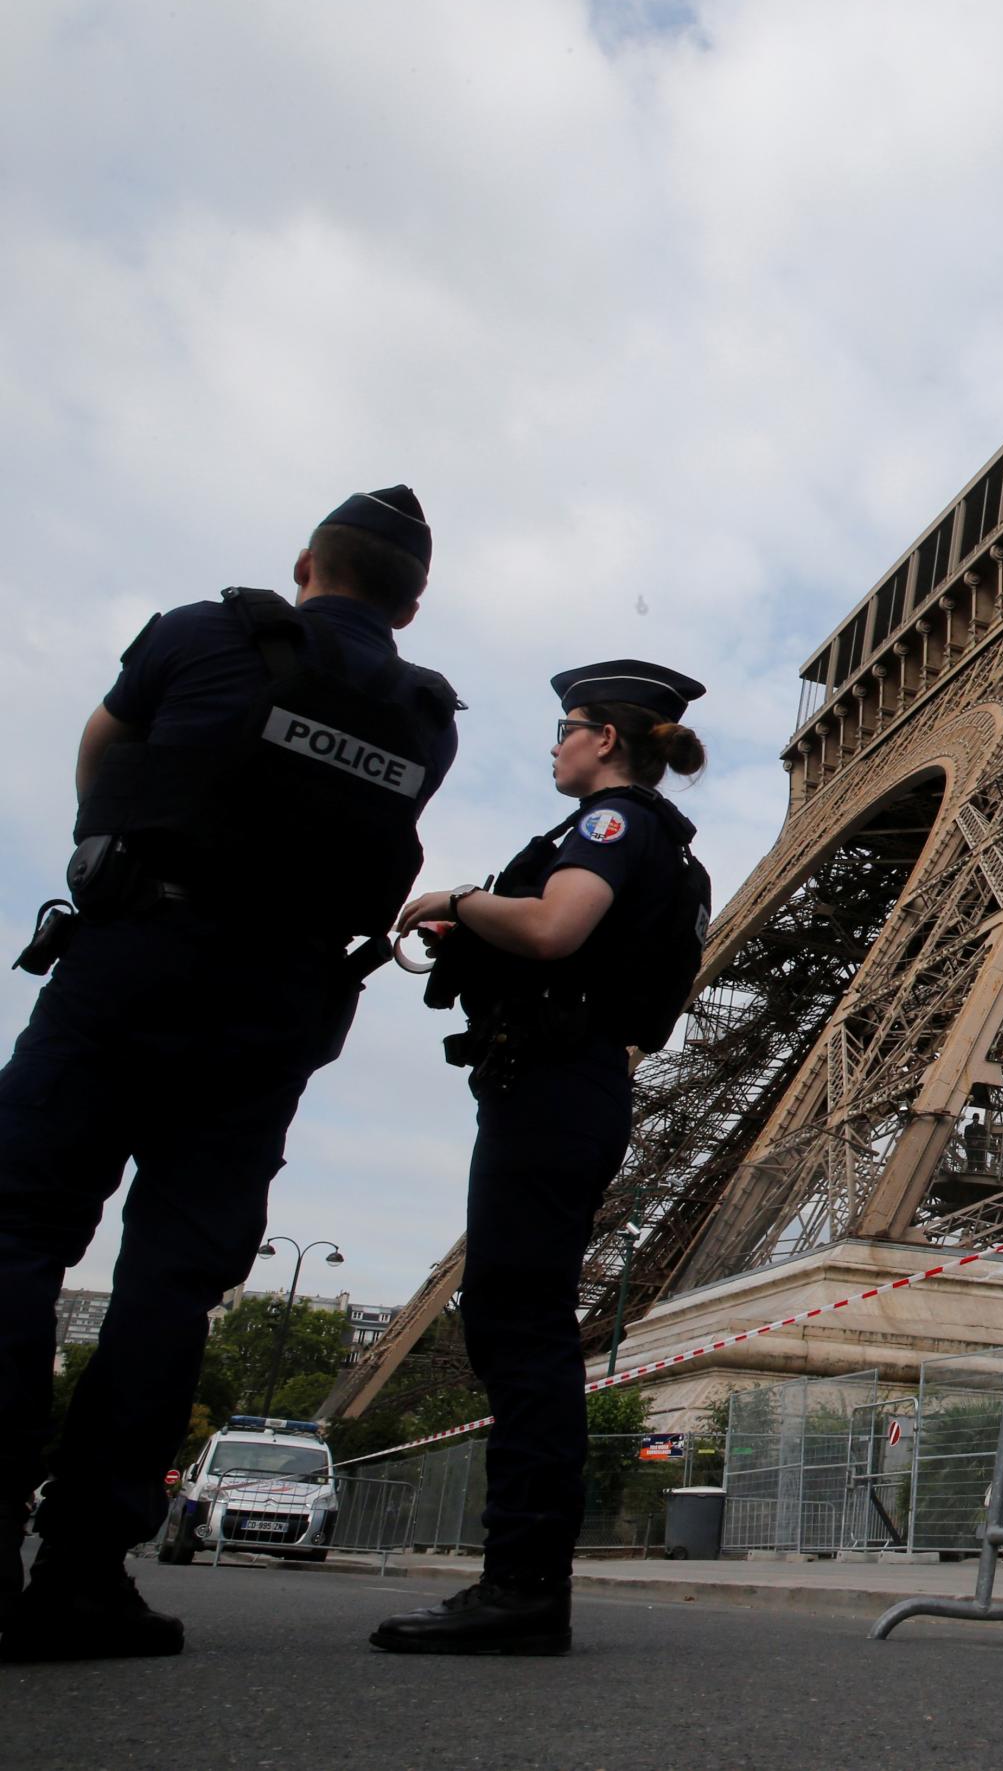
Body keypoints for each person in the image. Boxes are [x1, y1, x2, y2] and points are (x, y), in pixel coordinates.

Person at [0, 488, 458, 1661]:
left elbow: (106, 751)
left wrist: (116, 851)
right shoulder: (423, 715)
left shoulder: (202, 633)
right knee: (169, 1286)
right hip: (273, 1011)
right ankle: (88, 1574)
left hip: (133, 959)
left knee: (18, 1232)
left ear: (307, 563)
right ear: (412, 604)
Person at [371, 661, 710, 1657]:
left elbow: (557, 928)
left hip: (553, 1083)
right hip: (577, 1081)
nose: (554, 744)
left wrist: (462, 901)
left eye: (566, 728)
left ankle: (521, 1585)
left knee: (519, 1328)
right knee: (524, 1324)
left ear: (606, 739)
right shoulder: (665, 849)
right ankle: (522, 1580)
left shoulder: (612, 827)